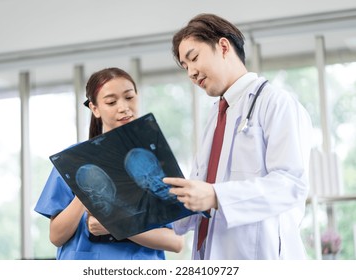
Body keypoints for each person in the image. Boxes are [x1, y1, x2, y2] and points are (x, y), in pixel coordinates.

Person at [163, 13, 312, 260]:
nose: (190, 72)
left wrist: (215, 196)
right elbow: (202, 190)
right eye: (185, 66)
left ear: (223, 46)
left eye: (194, 58)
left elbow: (291, 184)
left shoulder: (277, 103)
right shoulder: (215, 116)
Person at [35, 67, 183, 260]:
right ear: (95, 108)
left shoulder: (151, 159)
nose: (123, 107)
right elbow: (56, 236)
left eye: (129, 97)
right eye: (111, 102)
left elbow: (176, 242)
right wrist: (85, 191)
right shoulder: (72, 160)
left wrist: (118, 226)